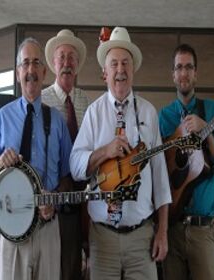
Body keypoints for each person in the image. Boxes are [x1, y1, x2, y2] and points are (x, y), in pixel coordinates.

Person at [70, 27, 172, 280]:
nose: (120, 70)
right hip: (102, 239)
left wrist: (162, 232)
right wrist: (105, 151)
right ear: (105, 73)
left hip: (142, 238)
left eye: (125, 63)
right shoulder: (94, 113)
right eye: (114, 64)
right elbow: (75, 165)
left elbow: (160, 176)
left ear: (133, 70)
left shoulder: (148, 112)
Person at [0, 38, 72, 280]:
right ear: (17, 72)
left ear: (44, 71)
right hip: (12, 233)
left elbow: (67, 178)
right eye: (25, 64)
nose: (31, 70)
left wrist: (54, 200)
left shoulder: (57, 121)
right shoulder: (3, 117)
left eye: (36, 63)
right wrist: (1, 163)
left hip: (47, 228)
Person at [159, 44, 214, 280]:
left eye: (189, 67)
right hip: (172, 228)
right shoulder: (164, 117)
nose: (184, 73)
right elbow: (159, 171)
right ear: (173, 75)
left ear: (196, 73)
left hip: (202, 231)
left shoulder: (212, 110)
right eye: (179, 67)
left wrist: (206, 132)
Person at [42, 29, 89, 280]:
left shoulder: (84, 101)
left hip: (79, 202)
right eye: (62, 57)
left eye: (72, 58)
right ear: (54, 64)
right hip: (51, 200)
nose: (67, 63)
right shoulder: (42, 100)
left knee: (73, 269)